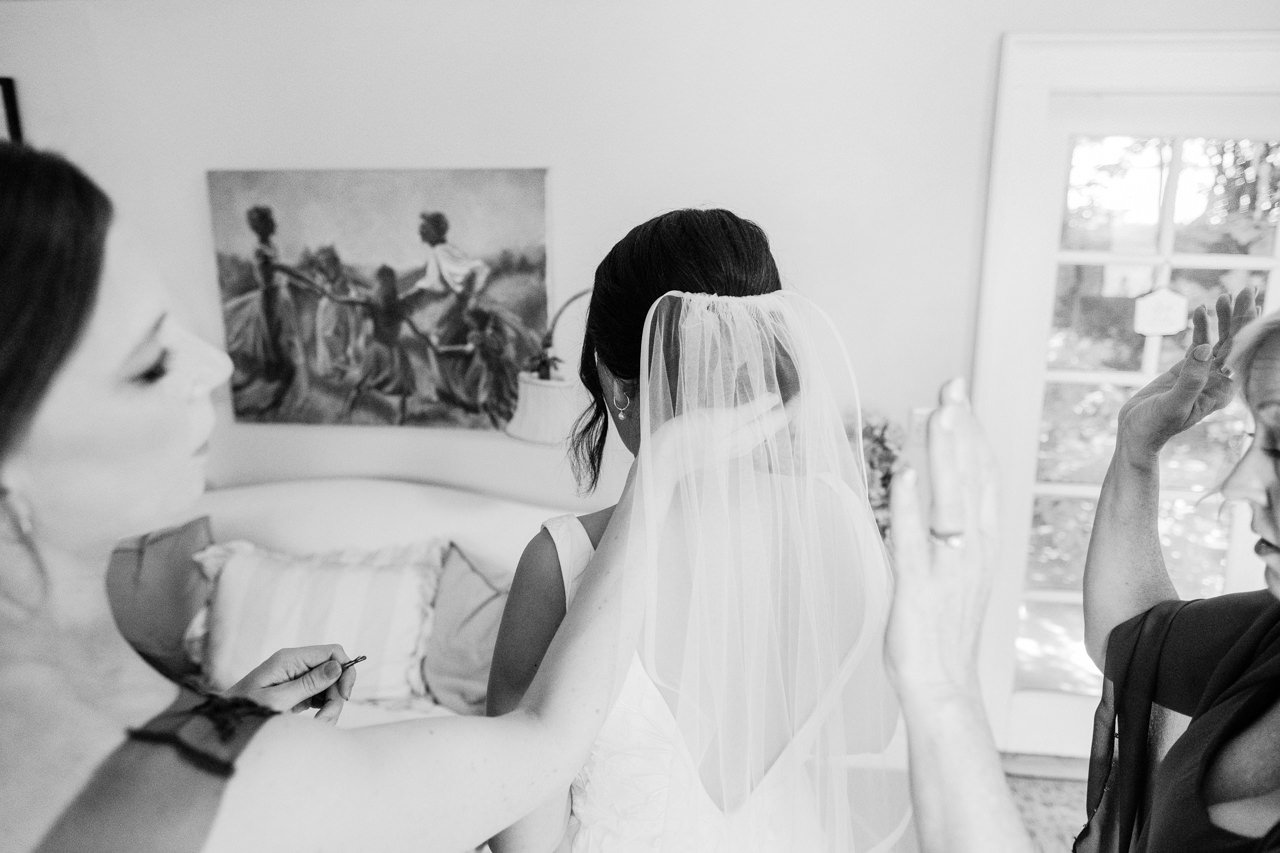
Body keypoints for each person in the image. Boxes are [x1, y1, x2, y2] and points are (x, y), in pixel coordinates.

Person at [0, 144, 739, 852]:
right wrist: (664, 458)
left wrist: (240, 718)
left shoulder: (125, 738)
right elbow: (539, 746)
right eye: (151, 362)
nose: (216, 363)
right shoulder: (242, 784)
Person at [487, 209, 912, 852]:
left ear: (614, 382)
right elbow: (873, 731)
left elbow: (523, 840)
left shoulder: (563, 560)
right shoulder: (843, 520)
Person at [1076, 287, 1280, 851]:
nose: (1238, 487)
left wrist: (940, 692)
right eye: (1253, 439)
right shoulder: (1270, 634)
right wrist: (1136, 448)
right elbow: (1132, 637)